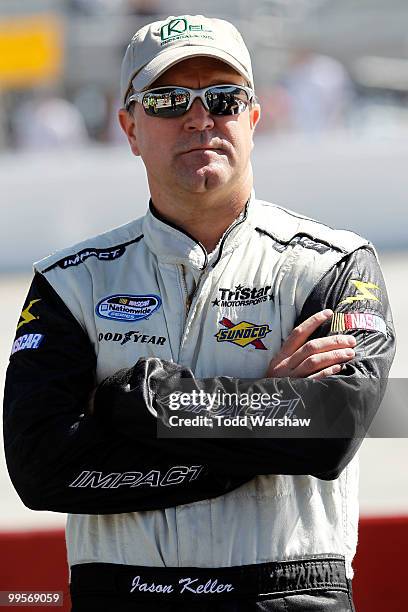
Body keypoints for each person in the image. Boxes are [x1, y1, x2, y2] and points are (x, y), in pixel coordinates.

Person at [3, 14, 395, 612]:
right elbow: (42, 469)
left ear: (254, 119)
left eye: (224, 97)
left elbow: (331, 428)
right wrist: (259, 419)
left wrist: (143, 403)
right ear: (130, 127)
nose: (199, 117)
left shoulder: (335, 264)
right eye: (168, 100)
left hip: (288, 595)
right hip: (126, 594)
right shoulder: (69, 282)